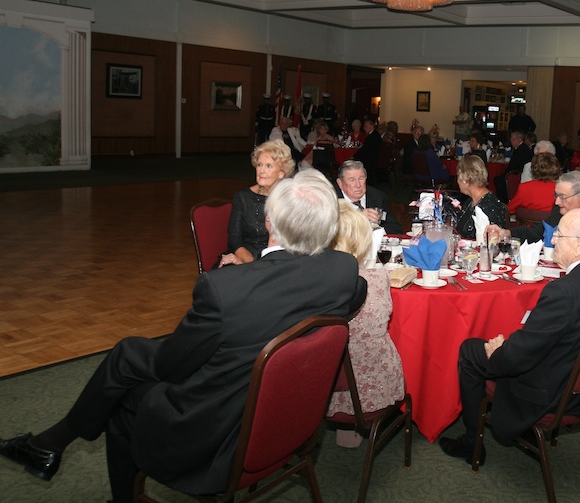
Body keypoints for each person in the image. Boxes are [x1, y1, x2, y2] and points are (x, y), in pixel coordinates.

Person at [0, 172, 367, 502]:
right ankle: (48, 445)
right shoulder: (343, 271)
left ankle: (55, 449)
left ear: (269, 221)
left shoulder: (225, 288)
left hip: (217, 442)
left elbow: (171, 367)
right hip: (289, 425)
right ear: (326, 229)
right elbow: (358, 292)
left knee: (126, 380)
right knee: (129, 355)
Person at [439, 208, 580, 464]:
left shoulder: (563, 291)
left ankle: (472, 442)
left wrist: (500, 351)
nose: (552, 241)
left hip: (557, 392)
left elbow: (519, 357)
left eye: (559, 235)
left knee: (472, 350)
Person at [327, 200, 405, 447]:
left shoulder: (316, 281)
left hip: (324, 383)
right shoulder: (377, 276)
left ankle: (346, 423)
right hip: (375, 385)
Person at [219, 140, 295, 268]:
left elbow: (292, 242)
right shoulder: (242, 197)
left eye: (269, 166)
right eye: (259, 165)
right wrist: (253, 264)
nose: (261, 171)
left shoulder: (288, 200)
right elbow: (234, 241)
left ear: (282, 172)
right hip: (244, 256)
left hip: (277, 260)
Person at [487, 171, 580, 245]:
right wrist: (507, 233)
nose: (557, 201)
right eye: (556, 195)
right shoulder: (560, 209)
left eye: (563, 197)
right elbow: (538, 231)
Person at [335, 160, 402, 235]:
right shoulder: (332, 201)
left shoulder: (377, 197)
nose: (358, 185)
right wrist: (359, 219)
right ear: (340, 183)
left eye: (361, 179)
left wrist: (375, 232)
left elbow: (395, 227)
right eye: (352, 180)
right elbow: (328, 232)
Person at [456, 156, 508, 240]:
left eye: (458, 176)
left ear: (465, 180)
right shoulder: (470, 201)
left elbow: (494, 242)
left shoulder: (490, 205)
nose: (457, 181)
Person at [494, 130, 532, 202]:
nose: (511, 142)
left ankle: (504, 200)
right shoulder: (522, 148)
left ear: (519, 139)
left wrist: (506, 173)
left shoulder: (521, 150)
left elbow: (514, 165)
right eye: (511, 140)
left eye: (513, 140)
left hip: (516, 173)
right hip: (517, 171)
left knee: (498, 180)